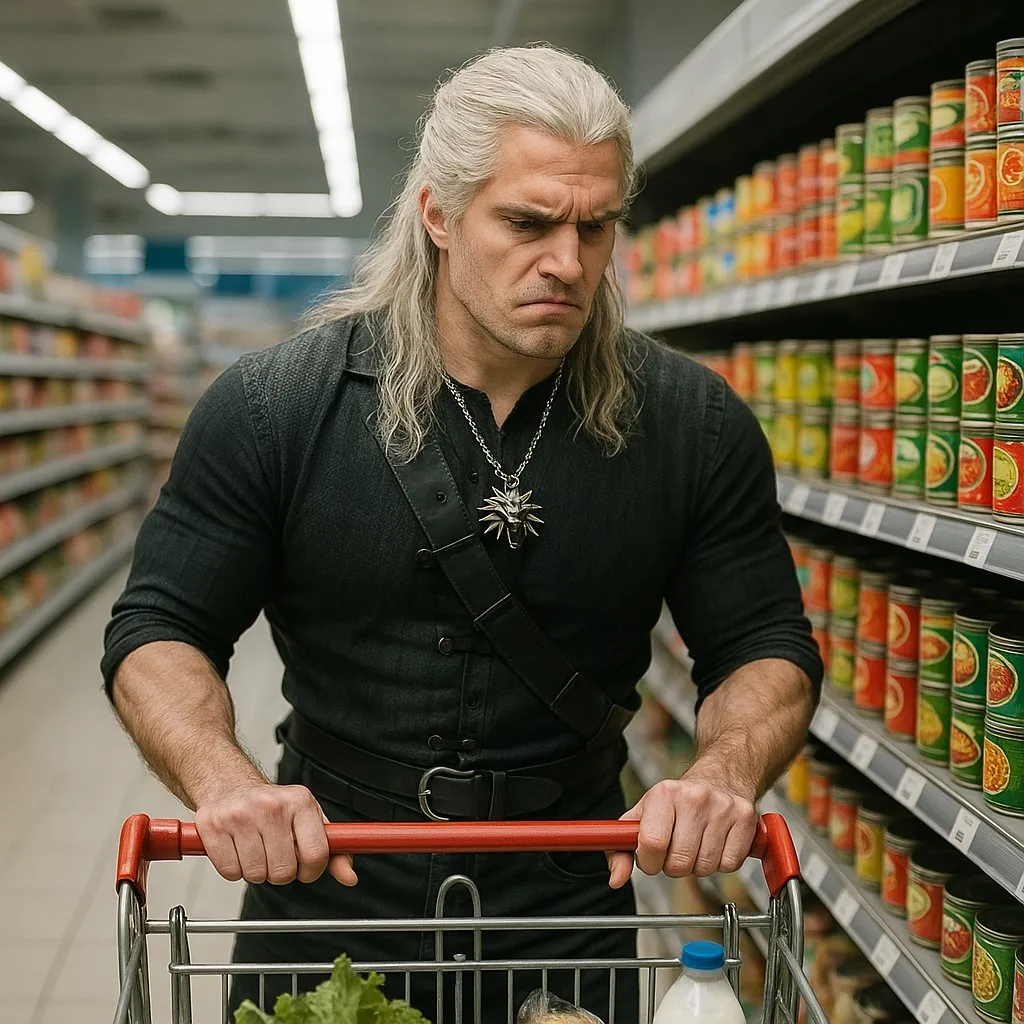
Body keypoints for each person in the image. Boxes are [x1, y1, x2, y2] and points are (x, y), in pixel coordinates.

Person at [102, 45, 822, 1022]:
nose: (567, 262)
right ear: (438, 213)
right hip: (332, 889)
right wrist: (224, 781)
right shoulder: (275, 408)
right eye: (527, 222)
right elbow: (158, 626)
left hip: (569, 901)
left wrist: (720, 774)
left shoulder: (691, 427)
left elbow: (766, 646)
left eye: (596, 226)